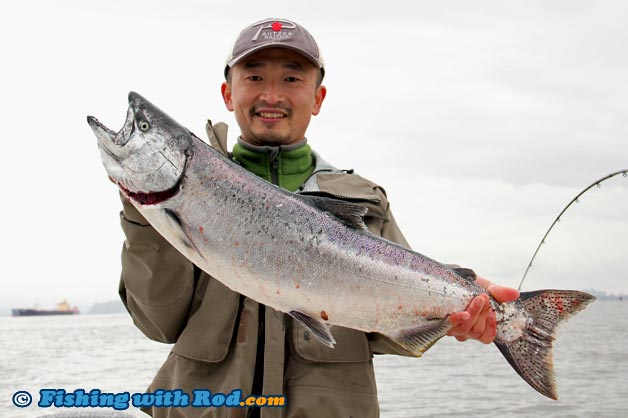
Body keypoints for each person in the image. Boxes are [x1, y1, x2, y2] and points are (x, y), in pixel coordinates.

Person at [118, 18, 520, 418]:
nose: (271, 95)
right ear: (228, 92)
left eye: (292, 79)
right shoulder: (190, 193)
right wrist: (142, 217)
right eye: (254, 76)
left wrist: (460, 309)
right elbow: (158, 323)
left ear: (318, 98)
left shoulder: (365, 199)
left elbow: (390, 331)